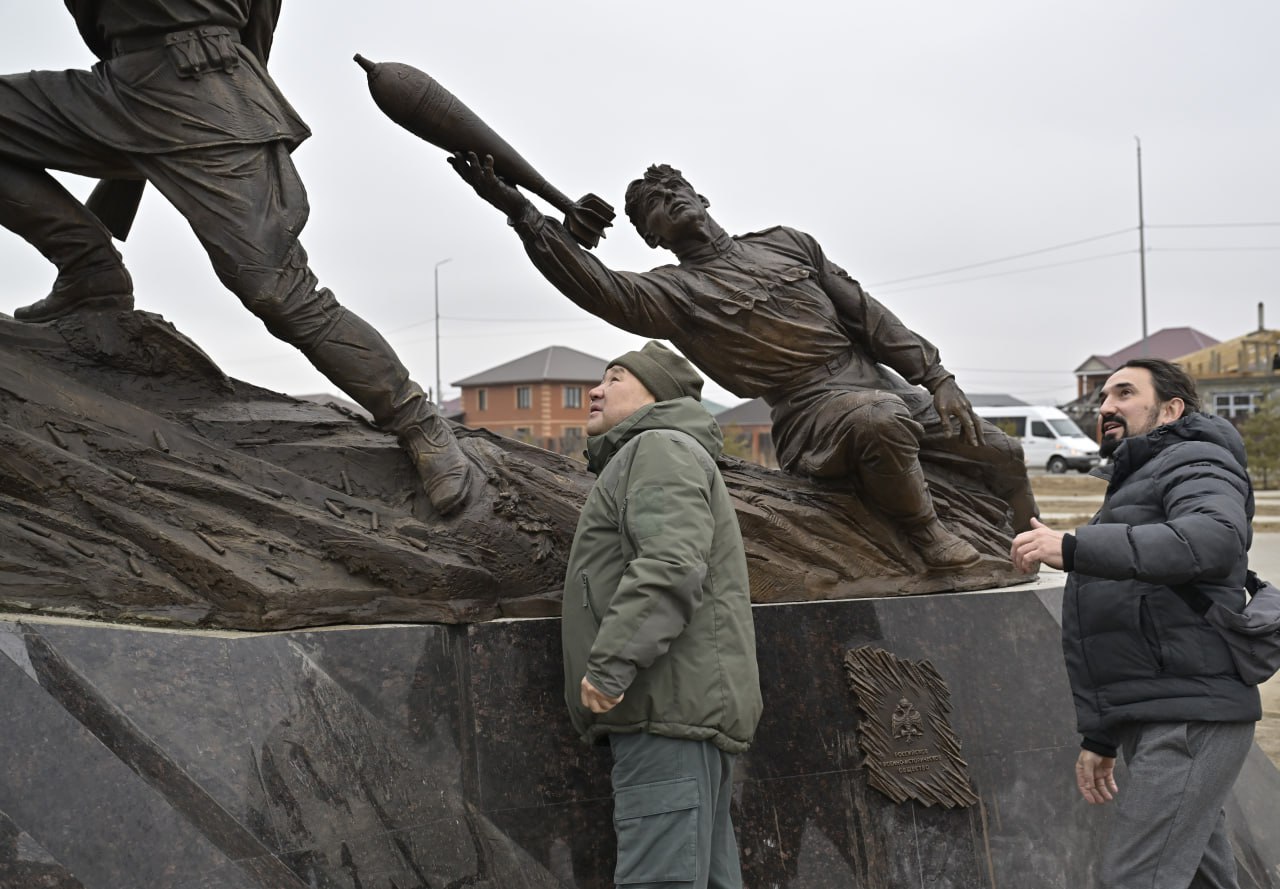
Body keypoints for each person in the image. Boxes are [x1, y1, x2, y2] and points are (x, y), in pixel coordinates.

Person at [450, 155, 1036, 569]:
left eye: (675, 187)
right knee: (878, 419)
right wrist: (521, 212)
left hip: (884, 386)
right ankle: (926, 536)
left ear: (701, 197)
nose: (669, 199)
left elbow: (867, 315)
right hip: (812, 413)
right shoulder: (673, 293)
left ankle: (1034, 547)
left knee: (1004, 453)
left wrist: (938, 378)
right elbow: (597, 286)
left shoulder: (788, 242)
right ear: (651, 237)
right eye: (653, 206)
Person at [0, 1, 470, 514]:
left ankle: (416, 420)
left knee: (277, 291)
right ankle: (89, 271)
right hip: (122, 86)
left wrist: (235, 80)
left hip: (209, 88)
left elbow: (259, 14)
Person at [1011, 357, 1260, 888]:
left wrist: (1076, 545)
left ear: (1170, 409)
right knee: (1201, 879)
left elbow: (1213, 539)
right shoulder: (1136, 483)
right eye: (1102, 398)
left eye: (1124, 394)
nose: (1106, 408)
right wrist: (1102, 734)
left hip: (1191, 714)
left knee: (1137, 878)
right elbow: (1119, 623)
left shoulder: (1198, 462)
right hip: (1160, 710)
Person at [562, 340, 762, 889]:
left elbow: (671, 563)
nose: (596, 390)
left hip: (663, 713)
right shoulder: (657, 451)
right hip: (679, 712)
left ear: (658, 397)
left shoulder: (658, 449)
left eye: (617, 378)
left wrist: (609, 667)